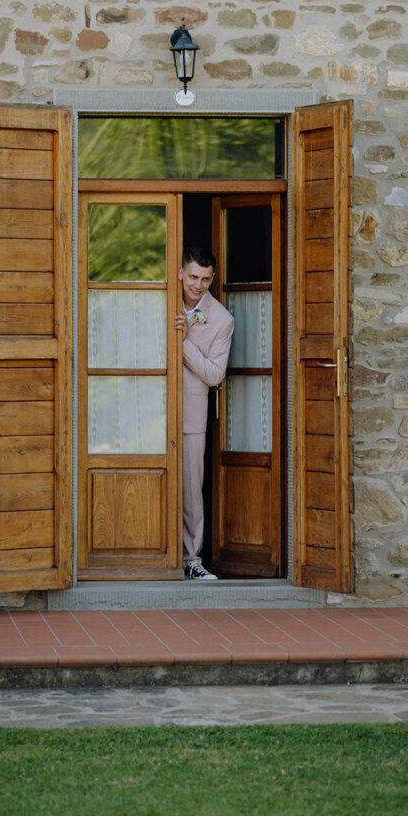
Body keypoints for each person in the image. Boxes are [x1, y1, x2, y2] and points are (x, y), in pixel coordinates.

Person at [174, 246, 234, 581]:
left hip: (192, 413)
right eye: (193, 276)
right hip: (150, 405)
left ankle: (191, 559)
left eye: (205, 279)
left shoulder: (222, 319)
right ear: (181, 272)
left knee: (190, 489)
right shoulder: (160, 296)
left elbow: (214, 375)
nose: (198, 285)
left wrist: (184, 343)